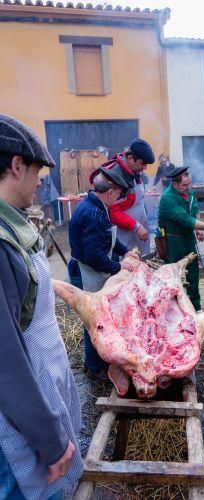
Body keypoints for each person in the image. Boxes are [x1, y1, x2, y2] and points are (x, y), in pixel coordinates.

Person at [0, 114, 83, 499]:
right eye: (36, 171)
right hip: (18, 433)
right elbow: (6, 361)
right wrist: (50, 440)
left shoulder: (12, 229)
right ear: (17, 165)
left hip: (34, 413)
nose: (40, 182)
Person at [69, 166, 138, 380]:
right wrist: (119, 267)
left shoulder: (97, 206)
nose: (118, 199)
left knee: (97, 317)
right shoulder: (94, 213)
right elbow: (93, 255)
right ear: (110, 192)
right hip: (86, 270)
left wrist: (124, 251)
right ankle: (94, 367)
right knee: (94, 320)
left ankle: (96, 361)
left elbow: (108, 238)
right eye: (118, 194)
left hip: (90, 268)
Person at [158, 167, 204, 311]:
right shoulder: (168, 198)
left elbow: (194, 211)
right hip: (172, 241)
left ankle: (195, 306)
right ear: (175, 184)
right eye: (185, 185)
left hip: (188, 239)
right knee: (174, 274)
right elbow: (185, 219)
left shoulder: (190, 194)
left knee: (193, 272)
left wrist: (199, 229)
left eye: (190, 184)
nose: (189, 188)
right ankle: (173, 308)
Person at [89, 138, 155, 255]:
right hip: (122, 235)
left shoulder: (134, 171)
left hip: (137, 231)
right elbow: (112, 212)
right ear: (130, 158)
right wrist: (136, 226)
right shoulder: (115, 175)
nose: (145, 168)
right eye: (142, 163)